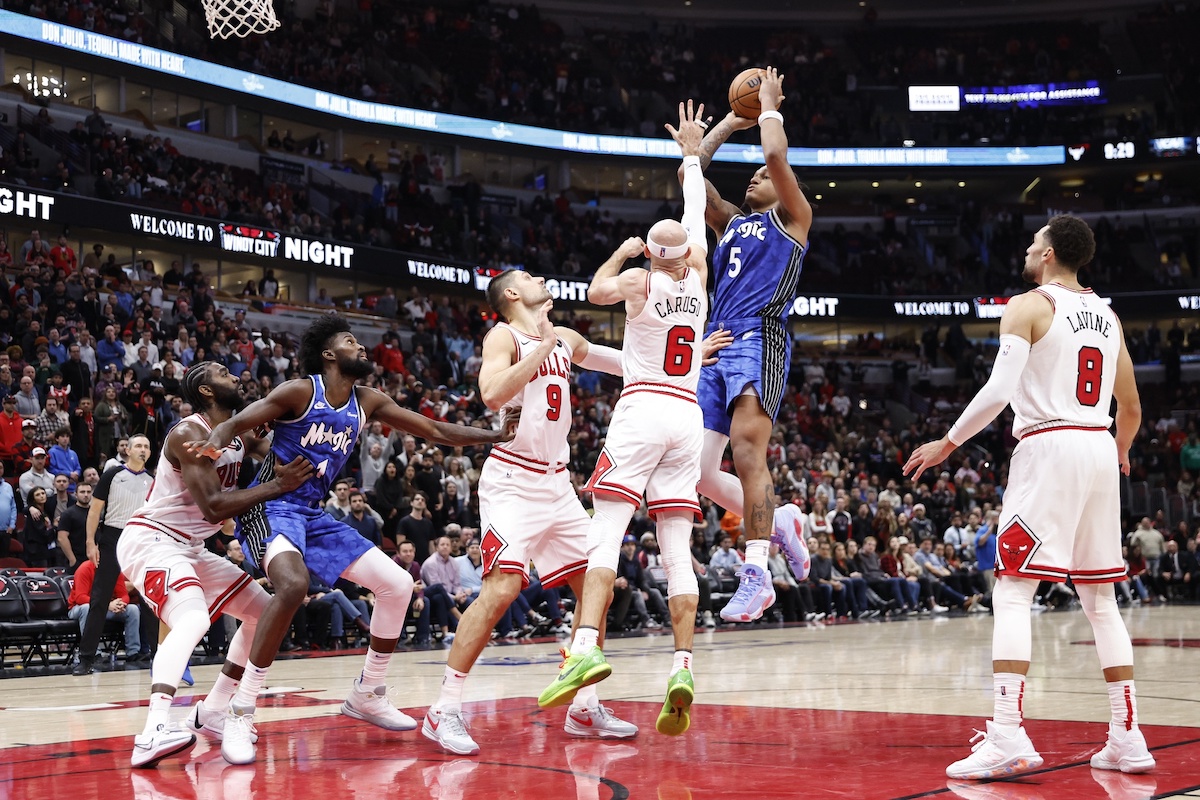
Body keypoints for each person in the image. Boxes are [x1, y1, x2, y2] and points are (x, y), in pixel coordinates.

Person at [191, 315, 516, 763]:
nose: (361, 349)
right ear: (328, 354)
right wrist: (210, 445)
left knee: (399, 585)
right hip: (270, 509)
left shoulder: (368, 401)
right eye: (350, 342)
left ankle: (367, 692)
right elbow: (236, 424)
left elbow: (436, 430)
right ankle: (241, 711)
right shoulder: (299, 391)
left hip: (312, 514)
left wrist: (494, 434)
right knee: (292, 585)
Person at [904, 214, 1153, 779]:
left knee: (1014, 589)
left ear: (1047, 255)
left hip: (1049, 446)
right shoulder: (1108, 317)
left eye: (1033, 240)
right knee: (1101, 602)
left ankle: (1008, 733)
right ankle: (1128, 737)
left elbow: (999, 389)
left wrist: (948, 442)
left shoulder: (1028, 305)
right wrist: (1119, 452)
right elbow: (1132, 408)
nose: (1026, 246)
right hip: (1096, 445)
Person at [424, 264, 673, 753]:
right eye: (530, 277)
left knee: (595, 585)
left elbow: (626, 363)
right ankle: (443, 709)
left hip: (558, 483)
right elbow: (492, 393)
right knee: (502, 587)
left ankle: (585, 706)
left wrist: (685, 365)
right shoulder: (503, 335)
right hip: (513, 478)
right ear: (513, 292)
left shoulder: (565, 336)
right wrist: (541, 347)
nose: (542, 278)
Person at [540, 101, 711, 738]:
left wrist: (622, 253)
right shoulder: (699, 274)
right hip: (687, 416)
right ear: (687, 252)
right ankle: (683, 663)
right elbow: (694, 212)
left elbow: (592, 291)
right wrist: (691, 157)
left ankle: (585, 646)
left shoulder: (642, 280)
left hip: (642, 409)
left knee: (606, 532)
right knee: (678, 552)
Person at [114, 361, 313, 767]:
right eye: (224, 373)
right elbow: (213, 507)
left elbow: (279, 445)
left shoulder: (236, 436)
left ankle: (214, 710)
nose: (236, 376)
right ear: (205, 391)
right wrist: (278, 484)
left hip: (191, 546)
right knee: (192, 620)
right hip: (152, 539)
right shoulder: (189, 432)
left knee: (264, 613)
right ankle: (152, 730)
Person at [686, 70, 814, 619]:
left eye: (762, 175)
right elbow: (696, 184)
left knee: (746, 452)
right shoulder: (733, 224)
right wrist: (720, 129)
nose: (757, 175)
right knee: (697, 471)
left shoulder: (794, 219)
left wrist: (766, 110)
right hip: (716, 341)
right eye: (754, 172)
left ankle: (757, 570)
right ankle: (781, 520)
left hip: (760, 335)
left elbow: (779, 160)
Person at [73, 434, 154, 676]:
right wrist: (90, 542)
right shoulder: (112, 474)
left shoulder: (153, 481)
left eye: (147, 447)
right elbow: (94, 511)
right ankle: (86, 658)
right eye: (138, 446)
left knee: (150, 600)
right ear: (127, 450)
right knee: (99, 600)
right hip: (112, 537)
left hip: (141, 539)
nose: (143, 450)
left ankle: (160, 659)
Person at [67, 558, 142, 662]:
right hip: (78, 608)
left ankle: (133, 653)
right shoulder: (84, 569)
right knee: (87, 608)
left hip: (105, 607)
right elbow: (80, 598)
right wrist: (106, 605)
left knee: (132, 609)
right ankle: (93, 653)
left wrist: (120, 604)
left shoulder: (114, 569)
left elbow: (124, 594)